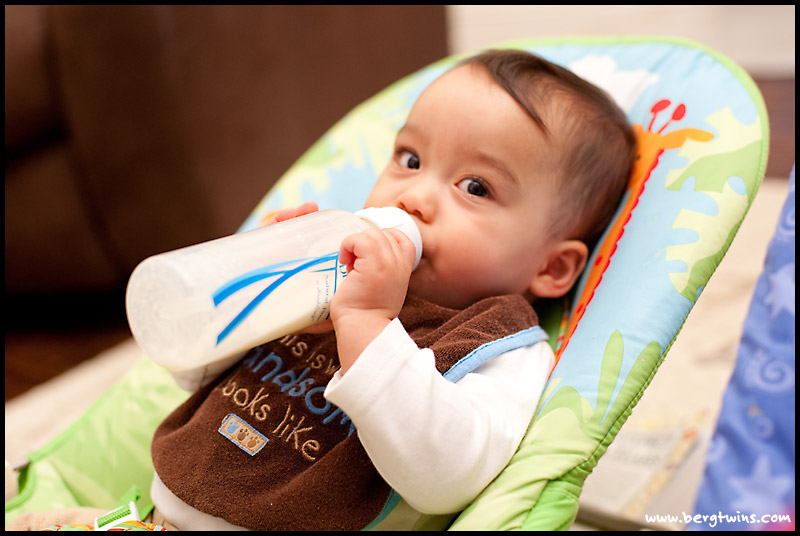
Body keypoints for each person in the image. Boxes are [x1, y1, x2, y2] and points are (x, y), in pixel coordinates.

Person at [7, 49, 635, 531]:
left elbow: (445, 476)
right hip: (152, 515)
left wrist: (366, 323)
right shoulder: (333, 271)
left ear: (552, 268)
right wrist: (260, 297)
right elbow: (195, 379)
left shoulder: (499, 345)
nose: (414, 196)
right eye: (410, 159)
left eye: (476, 187)